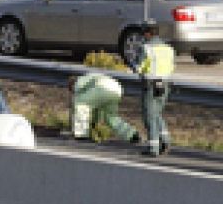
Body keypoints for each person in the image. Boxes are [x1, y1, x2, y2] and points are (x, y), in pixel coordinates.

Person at [131, 18, 174, 157]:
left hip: (150, 84)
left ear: (148, 33)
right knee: (157, 114)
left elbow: (139, 68)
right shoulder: (168, 48)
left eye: (143, 32)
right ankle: (166, 140)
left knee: (149, 116)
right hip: (166, 84)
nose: (142, 35)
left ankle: (153, 148)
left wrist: (133, 65)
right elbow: (172, 66)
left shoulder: (146, 48)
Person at [69, 71, 139, 144]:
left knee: (81, 104)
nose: (73, 92)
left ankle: (81, 135)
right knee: (110, 117)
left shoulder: (80, 80)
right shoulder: (92, 79)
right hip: (117, 89)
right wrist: (93, 123)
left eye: (71, 90)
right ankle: (131, 134)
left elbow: (78, 95)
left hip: (103, 88)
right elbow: (95, 110)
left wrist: (75, 95)